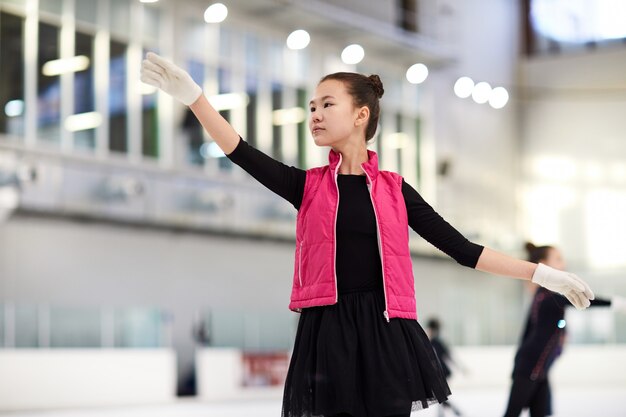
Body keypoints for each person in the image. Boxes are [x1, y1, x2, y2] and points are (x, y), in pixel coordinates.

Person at [140, 52, 595, 417]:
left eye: (327, 104)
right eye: (311, 107)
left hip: (388, 330)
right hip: (327, 331)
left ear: (361, 114)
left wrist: (542, 275)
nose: (315, 114)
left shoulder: (397, 191)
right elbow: (238, 150)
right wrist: (195, 98)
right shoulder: (309, 186)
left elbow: (465, 250)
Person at [503, 243, 626, 417]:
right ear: (544, 264)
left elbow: (531, 330)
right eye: (558, 259)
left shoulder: (545, 294)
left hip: (540, 369)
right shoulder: (547, 295)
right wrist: (615, 303)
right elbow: (582, 298)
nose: (564, 263)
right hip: (529, 368)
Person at [426, 318, 464, 417]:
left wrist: (460, 368)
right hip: (441, 372)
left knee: (440, 395)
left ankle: (453, 411)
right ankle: (445, 413)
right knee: (440, 395)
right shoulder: (435, 342)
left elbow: (448, 357)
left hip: (442, 373)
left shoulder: (435, 342)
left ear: (432, 329)